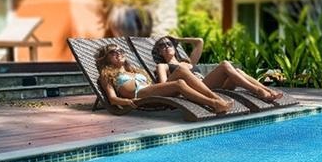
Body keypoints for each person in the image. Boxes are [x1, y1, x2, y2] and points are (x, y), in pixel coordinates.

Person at [95, 44, 233, 113]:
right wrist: (127, 101)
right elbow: (112, 99)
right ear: (106, 58)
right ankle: (213, 103)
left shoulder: (133, 70)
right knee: (179, 83)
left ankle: (216, 99)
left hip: (151, 90)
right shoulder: (106, 75)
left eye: (120, 51)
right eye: (113, 52)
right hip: (140, 95)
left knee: (181, 70)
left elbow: (154, 85)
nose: (118, 53)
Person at [152, 36, 283, 102]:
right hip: (197, 89)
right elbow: (164, 87)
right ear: (159, 52)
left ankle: (266, 90)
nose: (166, 46)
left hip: (210, 85)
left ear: (175, 47)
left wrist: (176, 39)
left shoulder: (188, 62)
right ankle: (258, 91)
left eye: (169, 44)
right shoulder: (163, 66)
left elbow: (199, 41)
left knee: (238, 71)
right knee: (225, 64)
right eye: (162, 45)